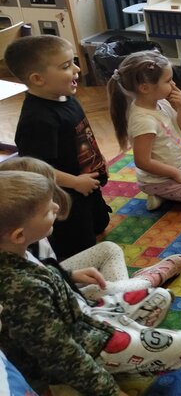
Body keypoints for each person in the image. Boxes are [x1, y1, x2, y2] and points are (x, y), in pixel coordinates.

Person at [0, 170, 181, 396]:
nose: (56, 207)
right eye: (47, 211)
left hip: (84, 318)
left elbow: (44, 273)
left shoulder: (15, 251)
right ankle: (75, 382)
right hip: (77, 345)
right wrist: (110, 391)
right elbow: (60, 353)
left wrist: (69, 275)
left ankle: (115, 351)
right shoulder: (22, 288)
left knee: (160, 297)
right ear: (18, 235)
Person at [0, 156, 181, 297]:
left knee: (109, 250)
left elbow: (46, 268)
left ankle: (127, 293)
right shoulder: (15, 269)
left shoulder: (24, 234)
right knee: (99, 291)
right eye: (45, 207)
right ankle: (147, 281)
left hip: (54, 279)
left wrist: (70, 275)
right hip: (57, 303)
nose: (56, 206)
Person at [5, 35, 110, 260]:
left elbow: (81, 137)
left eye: (73, 62)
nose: (77, 69)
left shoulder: (65, 97)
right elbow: (37, 170)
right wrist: (75, 182)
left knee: (101, 223)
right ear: (38, 79)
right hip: (65, 196)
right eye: (66, 66)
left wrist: (97, 161)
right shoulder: (37, 120)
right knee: (80, 250)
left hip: (86, 186)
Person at [109, 50, 181, 210]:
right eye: (168, 81)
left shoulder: (161, 102)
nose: (173, 85)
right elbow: (142, 161)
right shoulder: (143, 121)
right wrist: (177, 174)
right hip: (159, 179)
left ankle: (175, 189)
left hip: (179, 161)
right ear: (145, 88)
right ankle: (162, 191)